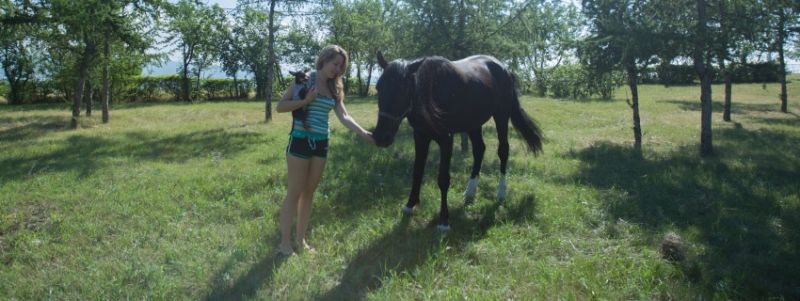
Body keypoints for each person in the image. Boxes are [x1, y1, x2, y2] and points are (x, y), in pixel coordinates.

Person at [275, 45, 375, 255]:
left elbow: (344, 117)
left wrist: (365, 134)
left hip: (321, 143)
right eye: (334, 64)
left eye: (340, 66)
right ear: (324, 60)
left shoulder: (335, 87)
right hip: (300, 141)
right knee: (294, 192)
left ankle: (300, 240)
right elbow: (281, 106)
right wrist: (305, 100)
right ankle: (285, 242)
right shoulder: (305, 79)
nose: (337, 69)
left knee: (309, 193)